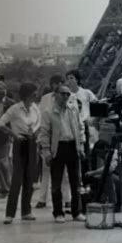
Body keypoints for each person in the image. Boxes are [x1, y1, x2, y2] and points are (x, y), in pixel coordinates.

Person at [0, 82, 41, 224]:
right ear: (27, 94)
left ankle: (26, 211)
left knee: (29, 178)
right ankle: (10, 213)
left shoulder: (35, 108)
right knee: (17, 179)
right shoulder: (14, 109)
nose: (36, 95)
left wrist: (35, 133)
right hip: (20, 142)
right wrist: (14, 135)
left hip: (32, 143)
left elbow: (39, 122)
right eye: (34, 93)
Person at [39, 85, 86, 223]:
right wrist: (46, 152)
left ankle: (77, 212)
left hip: (72, 145)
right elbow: (45, 133)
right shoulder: (48, 112)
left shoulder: (73, 109)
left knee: (76, 181)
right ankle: (58, 212)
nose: (65, 96)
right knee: (56, 182)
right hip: (57, 147)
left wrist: (81, 146)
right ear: (55, 95)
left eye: (68, 94)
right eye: (63, 94)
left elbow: (80, 127)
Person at [36, 74, 70, 209]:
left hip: (62, 139)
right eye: (57, 83)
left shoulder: (68, 97)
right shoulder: (45, 99)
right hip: (49, 139)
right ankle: (42, 198)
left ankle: (67, 198)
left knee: (64, 173)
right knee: (45, 171)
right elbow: (40, 119)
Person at [66, 69, 98, 175]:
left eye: (71, 78)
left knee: (85, 154)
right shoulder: (66, 95)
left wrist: (92, 119)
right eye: (67, 79)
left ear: (77, 80)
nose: (69, 81)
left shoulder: (86, 93)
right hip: (70, 126)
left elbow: (97, 105)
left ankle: (86, 180)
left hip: (83, 125)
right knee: (72, 155)